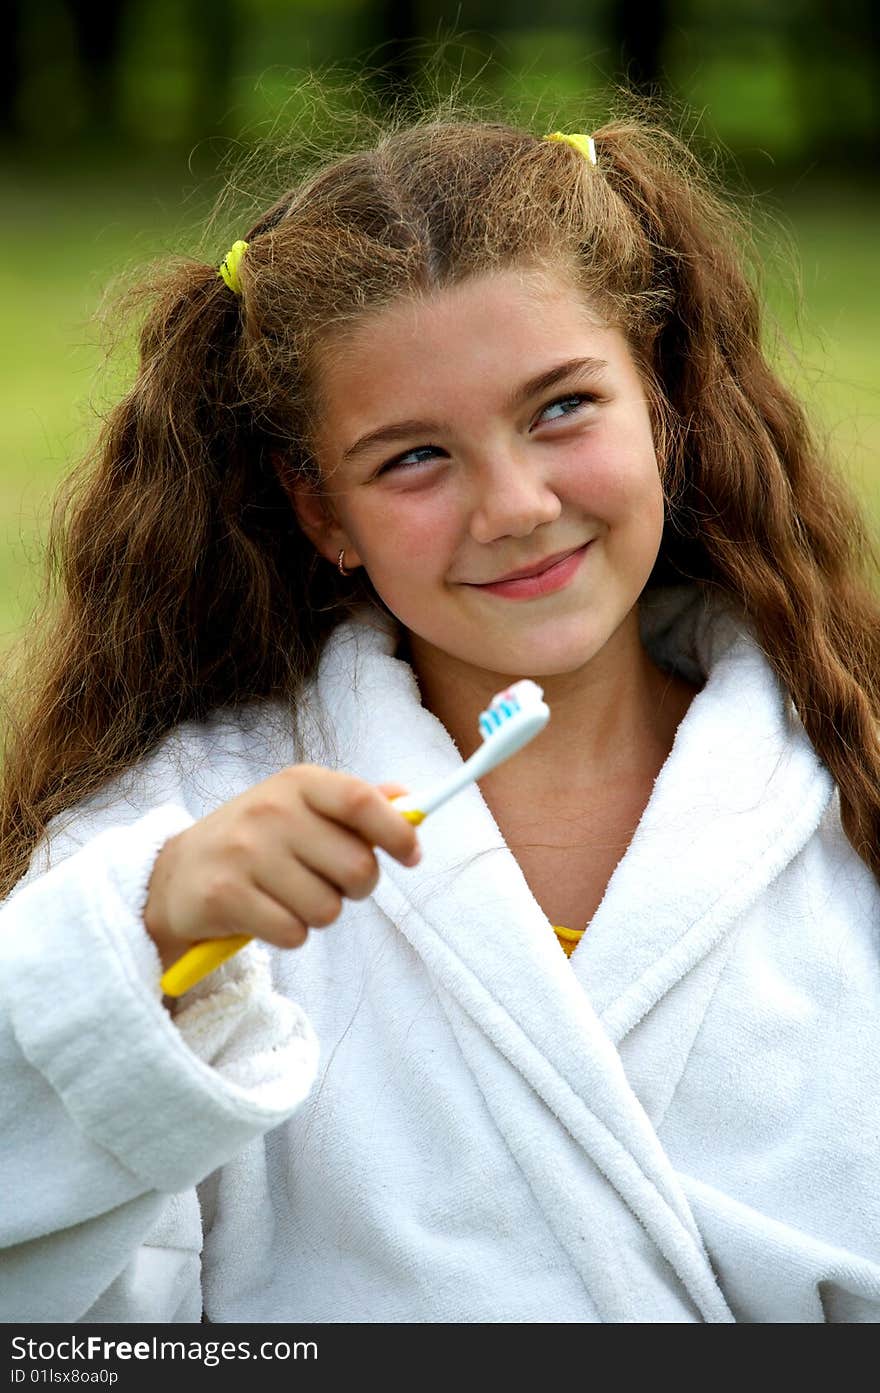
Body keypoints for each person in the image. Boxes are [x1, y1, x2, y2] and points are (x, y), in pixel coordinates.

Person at [1, 98, 878, 1325]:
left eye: (563, 407)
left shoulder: (854, 786)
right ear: (321, 515)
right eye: (413, 458)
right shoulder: (180, 846)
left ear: (665, 406)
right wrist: (139, 948)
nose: (514, 504)